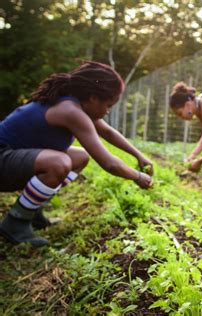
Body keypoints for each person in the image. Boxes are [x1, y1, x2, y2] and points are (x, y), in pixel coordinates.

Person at [0, 61, 154, 247]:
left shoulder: (75, 104)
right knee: (59, 162)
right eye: (108, 104)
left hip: (10, 158)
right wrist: (137, 176)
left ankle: (31, 210)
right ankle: (15, 223)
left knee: (79, 157)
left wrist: (139, 156)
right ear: (93, 98)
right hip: (3, 158)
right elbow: (108, 163)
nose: (108, 111)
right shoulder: (70, 111)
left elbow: (108, 133)